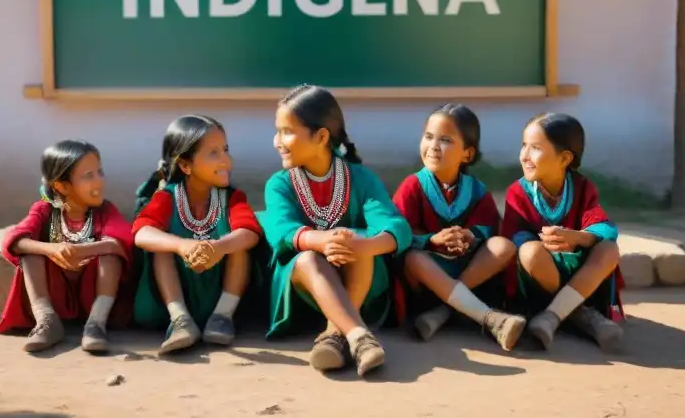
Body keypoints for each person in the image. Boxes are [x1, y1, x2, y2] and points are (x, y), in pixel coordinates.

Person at [258, 84, 412, 377]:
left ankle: (333, 334)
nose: (277, 141)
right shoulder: (279, 184)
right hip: (306, 290)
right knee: (307, 258)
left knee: (359, 241)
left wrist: (363, 245)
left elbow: (396, 226)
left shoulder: (361, 178)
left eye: (286, 131)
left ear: (322, 136)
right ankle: (358, 336)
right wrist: (320, 240)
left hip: (359, 279)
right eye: (277, 131)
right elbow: (280, 231)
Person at [391, 104, 525, 349]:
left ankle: (443, 311)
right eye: (428, 137)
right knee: (413, 259)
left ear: (467, 154)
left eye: (445, 140)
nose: (433, 146)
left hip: (467, 269)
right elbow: (396, 233)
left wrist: (469, 235)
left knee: (503, 246)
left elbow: (490, 226)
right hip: (428, 274)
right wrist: (431, 241)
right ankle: (490, 318)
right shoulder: (412, 186)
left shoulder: (475, 189)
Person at [132, 115, 262, 355]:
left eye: (225, 150)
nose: (226, 160)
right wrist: (182, 246)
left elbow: (250, 232)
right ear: (185, 165)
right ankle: (180, 320)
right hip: (179, 289)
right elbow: (141, 232)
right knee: (162, 247)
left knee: (238, 245)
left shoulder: (231, 197)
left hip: (219, 292)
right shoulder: (167, 197)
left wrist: (219, 247)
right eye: (214, 153)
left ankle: (222, 317)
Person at [0, 139, 134, 354]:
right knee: (30, 254)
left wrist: (83, 250)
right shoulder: (44, 210)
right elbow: (13, 239)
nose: (99, 181)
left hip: (92, 292)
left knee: (110, 255)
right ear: (62, 186)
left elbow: (122, 240)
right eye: (88, 176)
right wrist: (53, 249)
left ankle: (96, 325)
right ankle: (47, 321)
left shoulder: (104, 210)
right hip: (56, 292)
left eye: (100, 172)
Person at [501, 112, 625, 351]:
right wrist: (539, 243)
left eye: (535, 148)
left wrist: (580, 237)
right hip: (540, 276)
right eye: (523, 146)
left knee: (608, 249)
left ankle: (552, 317)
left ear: (565, 158)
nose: (525, 155)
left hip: (578, 271)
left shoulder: (582, 187)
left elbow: (604, 226)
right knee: (529, 252)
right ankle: (579, 314)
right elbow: (512, 235)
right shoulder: (517, 192)